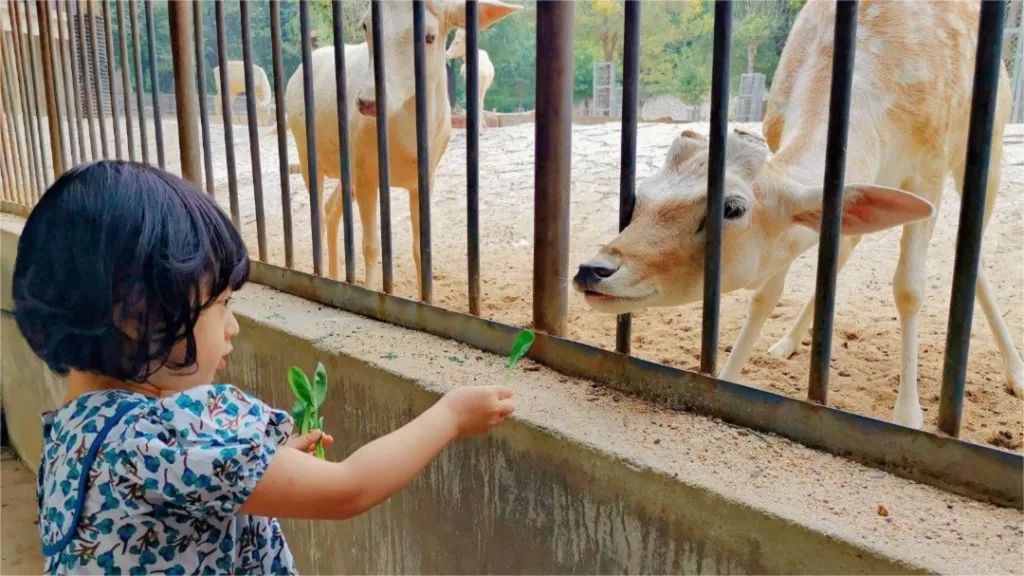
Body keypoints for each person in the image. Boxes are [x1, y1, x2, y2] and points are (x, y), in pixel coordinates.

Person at [13, 161, 515, 574]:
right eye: (220, 305)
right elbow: (350, 488)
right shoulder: (168, 437)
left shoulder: (71, 433)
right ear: (134, 316)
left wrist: (256, 466)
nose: (232, 327)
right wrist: (451, 416)